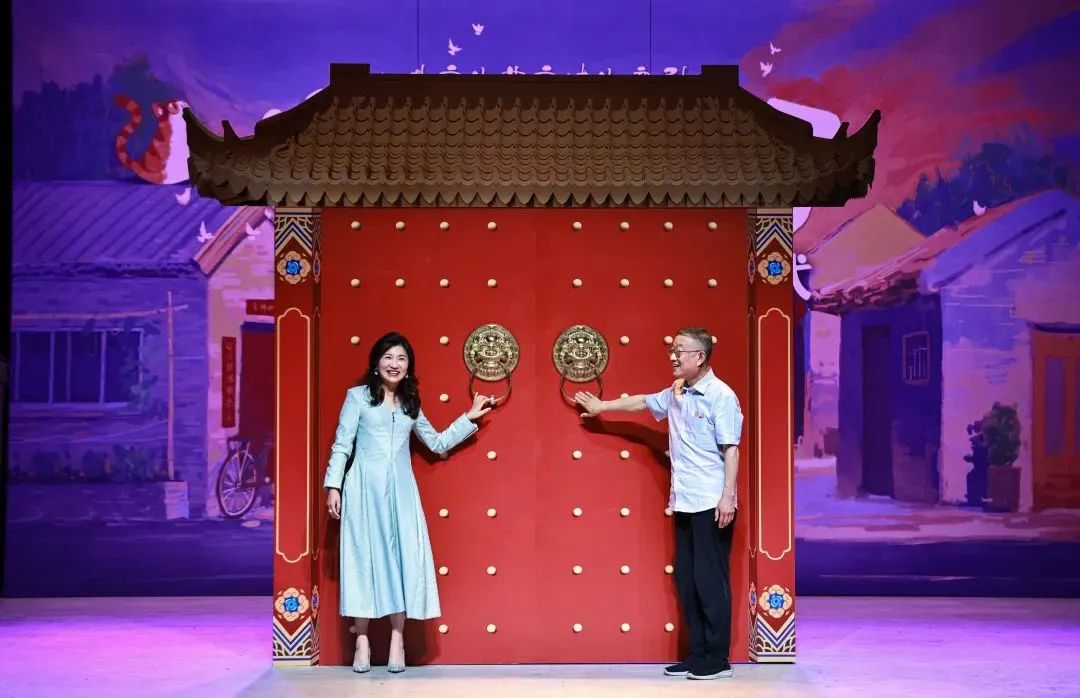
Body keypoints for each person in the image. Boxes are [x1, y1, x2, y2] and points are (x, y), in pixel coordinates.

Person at [574, 326, 742, 681]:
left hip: (711, 501)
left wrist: (727, 496)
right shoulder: (678, 391)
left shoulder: (721, 396)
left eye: (680, 350)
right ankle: (697, 654)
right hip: (684, 499)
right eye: (672, 350)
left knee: (710, 580)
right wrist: (602, 407)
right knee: (687, 578)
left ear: (700, 356)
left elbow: (731, 449)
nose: (673, 356)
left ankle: (717, 658)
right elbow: (643, 401)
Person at [324, 331, 495, 674]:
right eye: (388, 357)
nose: (394, 364)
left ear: (408, 367)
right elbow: (342, 444)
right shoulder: (357, 398)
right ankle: (362, 640)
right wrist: (334, 485)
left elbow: (437, 442)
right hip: (363, 490)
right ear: (376, 363)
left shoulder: (409, 404)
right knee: (363, 560)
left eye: (401, 359)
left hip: (402, 493)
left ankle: (397, 639)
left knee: (404, 561)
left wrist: (470, 417)